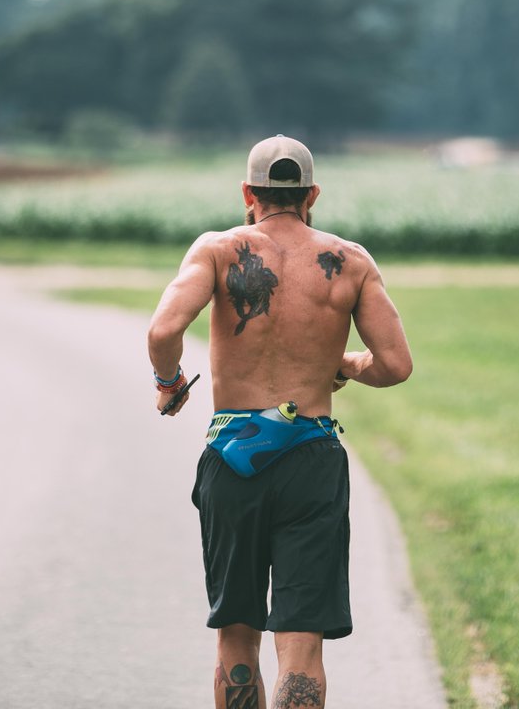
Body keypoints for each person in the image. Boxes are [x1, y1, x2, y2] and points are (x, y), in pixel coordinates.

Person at [147, 135, 413, 708]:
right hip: (312, 462)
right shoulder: (350, 262)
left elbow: (163, 332)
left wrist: (169, 386)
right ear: (312, 194)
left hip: (233, 457)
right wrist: (343, 363)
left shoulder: (219, 250)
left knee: (236, 636)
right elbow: (395, 365)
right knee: (302, 643)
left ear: (248, 193)